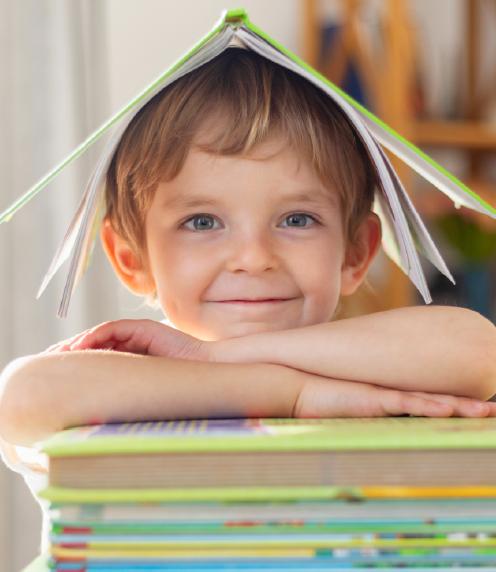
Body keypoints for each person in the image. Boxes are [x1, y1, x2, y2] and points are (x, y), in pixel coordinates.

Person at [2, 48, 496, 454]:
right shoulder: (120, 372)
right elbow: (20, 397)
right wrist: (295, 394)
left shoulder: (380, 361)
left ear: (355, 254)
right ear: (133, 260)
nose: (254, 257)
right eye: (202, 222)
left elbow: (480, 351)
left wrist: (216, 357)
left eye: (296, 219)